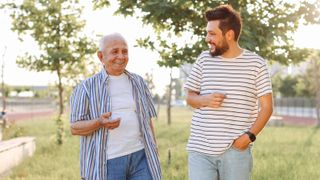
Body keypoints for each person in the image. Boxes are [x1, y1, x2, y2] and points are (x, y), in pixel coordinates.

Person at [184, 5, 273, 180]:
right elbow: (189, 97)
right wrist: (205, 100)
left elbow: (267, 108)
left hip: (236, 151)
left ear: (229, 35)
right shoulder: (203, 60)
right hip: (200, 150)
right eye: (207, 33)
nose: (207, 38)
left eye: (212, 33)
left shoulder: (256, 64)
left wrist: (248, 137)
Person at [70, 33, 161, 180]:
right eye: (115, 51)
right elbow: (75, 128)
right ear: (101, 56)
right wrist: (99, 122)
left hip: (141, 157)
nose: (121, 56)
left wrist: (154, 149)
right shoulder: (85, 87)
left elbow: (147, 120)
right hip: (108, 161)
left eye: (124, 51)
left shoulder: (139, 82)